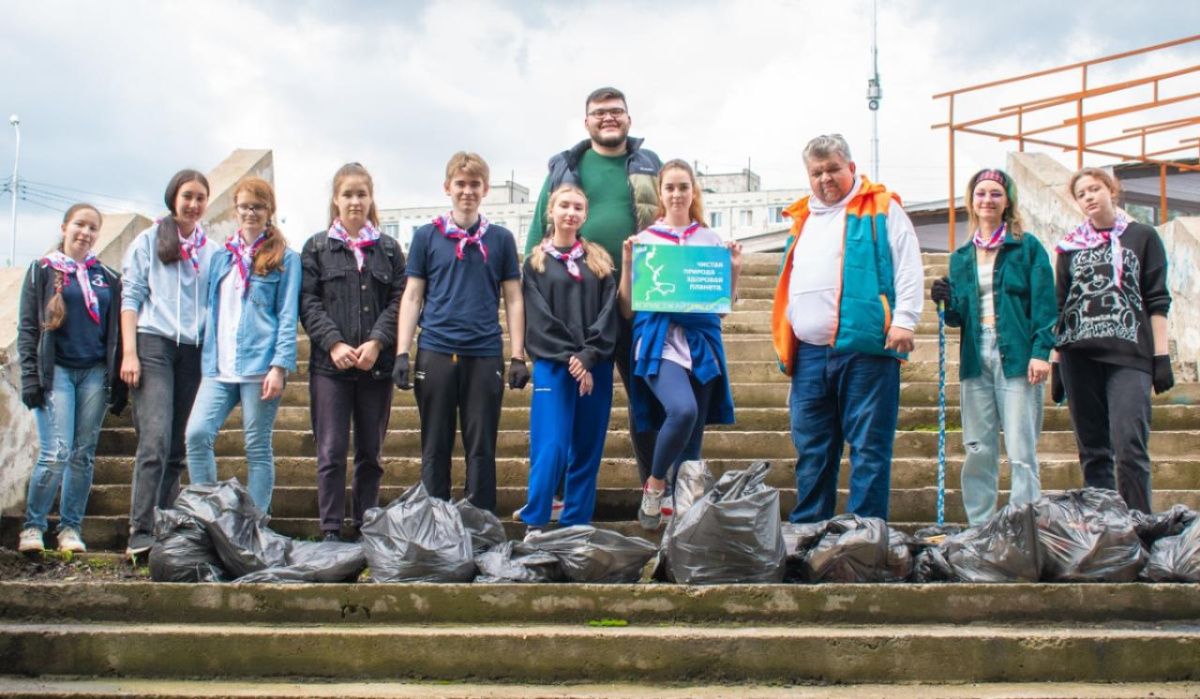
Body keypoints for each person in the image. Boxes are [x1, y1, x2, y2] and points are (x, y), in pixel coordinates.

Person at [770, 134, 924, 524]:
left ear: (851, 168)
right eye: (817, 172)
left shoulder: (883, 208)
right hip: (808, 352)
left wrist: (905, 319)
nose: (825, 178)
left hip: (867, 348)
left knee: (869, 447)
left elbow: (907, 264)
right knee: (812, 448)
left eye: (833, 169)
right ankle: (809, 528)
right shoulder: (803, 217)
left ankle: (865, 533)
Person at [525, 87, 663, 511]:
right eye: (599, 113)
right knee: (569, 406)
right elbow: (536, 240)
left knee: (646, 400)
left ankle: (653, 491)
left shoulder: (649, 165)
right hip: (579, 311)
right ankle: (559, 496)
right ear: (586, 122)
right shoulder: (566, 167)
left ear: (629, 119)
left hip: (641, 303)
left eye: (616, 112)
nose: (608, 118)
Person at [392, 152, 527, 512]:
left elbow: (513, 298)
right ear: (447, 187)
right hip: (436, 349)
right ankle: (436, 523)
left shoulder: (499, 239)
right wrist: (402, 352)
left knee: (481, 445)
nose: (467, 191)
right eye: (460, 184)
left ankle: (479, 521)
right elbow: (413, 295)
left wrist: (518, 354)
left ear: (484, 189)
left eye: (474, 185)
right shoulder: (426, 236)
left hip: (483, 352)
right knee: (435, 443)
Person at [618, 159, 739, 530]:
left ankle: (684, 527)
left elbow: (721, 309)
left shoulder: (710, 241)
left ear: (693, 191)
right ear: (660, 192)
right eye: (669, 187)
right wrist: (626, 262)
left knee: (692, 444)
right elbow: (625, 306)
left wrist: (733, 268)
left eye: (683, 186)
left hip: (701, 340)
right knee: (682, 411)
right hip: (659, 341)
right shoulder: (646, 241)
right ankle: (655, 485)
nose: (676, 194)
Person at [930, 168, 1055, 526]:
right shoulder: (962, 256)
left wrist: (1041, 351)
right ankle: (981, 525)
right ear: (971, 201)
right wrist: (944, 300)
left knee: (1020, 448)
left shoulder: (1027, 247)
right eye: (981, 193)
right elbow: (958, 318)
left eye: (995, 194)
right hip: (975, 357)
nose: (987, 200)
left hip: (1017, 354)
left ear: (1007, 201)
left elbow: (1045, 304)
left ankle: (1023, 524)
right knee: (978, 448)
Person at [1052, 167, 1172, 514]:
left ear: (1111, 191)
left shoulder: (1142, 236)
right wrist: (1057, 361)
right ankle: (1106, 534)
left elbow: (1157, 298)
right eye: (1081, 194)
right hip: (1078, 356)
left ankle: (1139, 526)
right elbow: (1061, 307)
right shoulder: (1069, 247)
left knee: (1129, 446)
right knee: (1093, 450)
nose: (1089, 197)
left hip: (1129, 355)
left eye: (1094, 189)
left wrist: (1160, 356)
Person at [300, 163, 407, 542]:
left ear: (371, 198)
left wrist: (378, 341)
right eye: (348, 194)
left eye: (362, 194)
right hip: (330, 369)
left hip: (374, 368)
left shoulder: (390, 250)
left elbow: (400, 301)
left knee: (370, 453)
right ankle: (330, 528)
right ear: (335, 199)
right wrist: (334, 343)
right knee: (331, 450)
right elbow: (308, 303)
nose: (355, 201)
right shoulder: (315, 248)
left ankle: (365, 525)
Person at [184, 176, 301, 512]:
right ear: (235, 210)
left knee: (257, 445)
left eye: (258, 206)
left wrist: (279, 366)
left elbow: (287, 314)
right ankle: (209, 512)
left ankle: (255, 520)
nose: (251, 212)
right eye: (245, 206)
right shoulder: (221, 257)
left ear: (269, 211)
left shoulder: (285, 259)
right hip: (219, 366)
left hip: (260, 367)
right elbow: (211, 307)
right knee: (196, 434)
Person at [16, 204, 126, 553]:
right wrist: (31, 378)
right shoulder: (41, 271)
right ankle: (33, 527)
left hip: (94, 372)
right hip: (57, 373)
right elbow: (28, 329)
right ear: (65, 227)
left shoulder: (106, 277)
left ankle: (70, 529)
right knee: (56, 452)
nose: (86, 232)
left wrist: (118, 382)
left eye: (93, 228)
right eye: (79, 224)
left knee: (83, 454)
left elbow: (116, 334)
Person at [121, 169, 218, 558]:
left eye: (200, 198)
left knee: (178, 444)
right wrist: (130, 353)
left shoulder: (211, 251)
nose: (193, 205)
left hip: (193, 350)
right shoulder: (148, 241)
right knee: (155, 439)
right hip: (154, 343)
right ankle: (139, 528)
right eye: (187, 196)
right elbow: (131, 298)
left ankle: (163, 524)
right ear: (173, 198)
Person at [516, 184, 619, 531]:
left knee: (587, 449)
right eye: (564, 206)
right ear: (551, 211)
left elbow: (609, 313)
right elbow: (539, 318)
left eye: (578, 207)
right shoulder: (535, 264)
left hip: (595, 367)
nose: (571, 212)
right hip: (554, 367)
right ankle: (536, 520)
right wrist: (571, 359)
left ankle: (575, 522)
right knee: (552, 446)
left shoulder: (600, 261)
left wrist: (588, 356)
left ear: (585, 215)